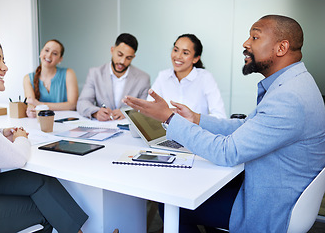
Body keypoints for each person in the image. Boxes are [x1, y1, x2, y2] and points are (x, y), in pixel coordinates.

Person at [123, 15, 325, 232]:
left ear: (281, 47)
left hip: (269, 207)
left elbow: (227, 152)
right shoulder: (294, 83)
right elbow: (247, 126)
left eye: (255, 37)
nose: (246, 44)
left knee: (174, 204)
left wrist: (169, 118)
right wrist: (196, 119)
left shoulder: (288, 97)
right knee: (199, 189)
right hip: (273, 188)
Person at [0, 33, 88, 233]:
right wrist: (21, 138)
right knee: (47, 210)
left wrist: (1, 133)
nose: (5, 67)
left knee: (40, 180)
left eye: (4, 60)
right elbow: (17, 158)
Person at [148, 34, 226, 118]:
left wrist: (195, 119)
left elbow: (220, 117)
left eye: (185, 53)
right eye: (176, 50)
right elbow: (148, 112)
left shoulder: (205, 78)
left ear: (195, 59)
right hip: (165, 130)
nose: (178, 56)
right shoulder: (163, 76)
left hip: (196, 130)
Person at [77, 33, 150, 121]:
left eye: (128, 58)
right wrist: (96, 112)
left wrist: (127, 113)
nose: (122, 61)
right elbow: (82, 102)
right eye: (120, 55)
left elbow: (146, 108)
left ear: (133, 57)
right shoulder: (95, 73)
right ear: (112, 50)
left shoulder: (143, 78)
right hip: (102, 127)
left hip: (127, 130)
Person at [23, 39, 79, 118]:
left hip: (65, 122)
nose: (49, 55)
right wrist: (31, 110)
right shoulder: (28, 79)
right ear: (41, 52)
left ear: (60, 59)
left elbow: (72, 105)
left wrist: (40, 105)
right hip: (41, 123)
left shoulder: (68, 74)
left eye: (55, 53)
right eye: (46, 50)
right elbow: (31, 104)